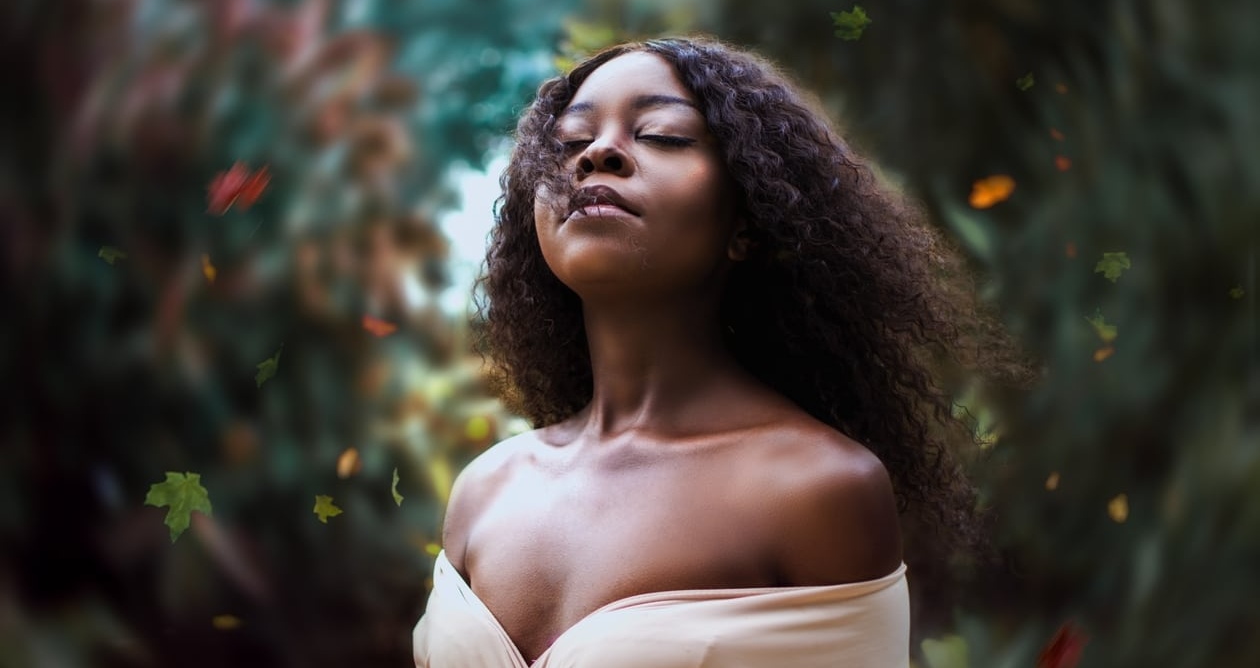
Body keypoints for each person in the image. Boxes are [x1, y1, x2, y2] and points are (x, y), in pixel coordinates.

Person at [413, 36, 1023, 667]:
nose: (598, 153)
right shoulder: (486, 488)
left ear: (745, 225)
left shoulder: (815, 490)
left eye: (664, 136)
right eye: (570, 143)